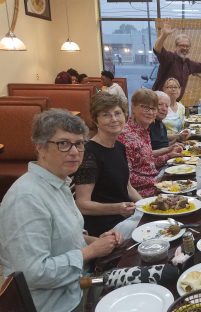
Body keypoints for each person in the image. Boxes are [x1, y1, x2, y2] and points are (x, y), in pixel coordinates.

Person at [0, 109, 122, 312]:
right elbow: (34, 273)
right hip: (57, 303)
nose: (74, 152)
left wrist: (98, 241)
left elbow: (68, 237)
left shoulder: (59, 182)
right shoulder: (26, 198)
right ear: (40, 147)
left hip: (77, 284)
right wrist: (90, 251)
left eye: (79, 143)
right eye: (63, 144)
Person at [74, 93, 142, 237]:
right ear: (96, 120)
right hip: (105, 227)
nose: (114, 119)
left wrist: (148, 205)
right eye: (106, 115)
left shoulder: (119, 147)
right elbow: (82, 205)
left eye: (118, 113)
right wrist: (117, 208)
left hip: (125, 218)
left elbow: (128, 188)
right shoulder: (89, 153)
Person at [117, 89, 183, 197]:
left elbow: (146, 163)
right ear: (133, 107)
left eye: (153, 108)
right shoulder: (126, 136)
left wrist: (169, 155)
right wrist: (159, 182)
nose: (150, 112)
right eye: (145, 107)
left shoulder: (144, 130)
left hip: (156, 185)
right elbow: (128, 178)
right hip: (143, 194)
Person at [152, 21, 201, 100]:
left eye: (187, 46)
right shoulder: (169, 58)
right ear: (176, 47)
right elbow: (157, 49)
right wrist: (164, 35)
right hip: (159, 103)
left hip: (174, 104)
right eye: (182, 45)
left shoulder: (189, 64)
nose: (185, 48)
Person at [150, 91, 190, 156]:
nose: (164, 109)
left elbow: (162, 146)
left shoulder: (161, 124)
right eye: (160, 104)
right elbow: (147, 154)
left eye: (166, 106)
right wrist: (169, 150)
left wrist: (176, 141)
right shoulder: (148, 125)